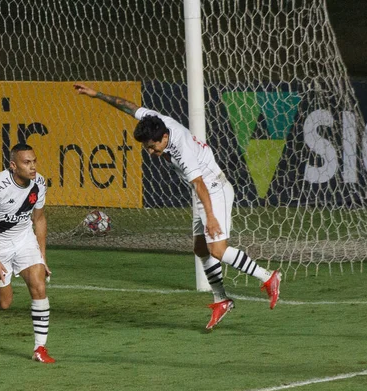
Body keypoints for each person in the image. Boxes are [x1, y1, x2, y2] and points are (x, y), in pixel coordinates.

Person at [73, 83, 281, 329]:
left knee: (217, 249)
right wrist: (98, 95)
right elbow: (129, 107)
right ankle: (221, 299)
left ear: (163, 138)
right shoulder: (156, 121)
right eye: (146, 148)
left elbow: (201, 184)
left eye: (152, 147)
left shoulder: (182, 149)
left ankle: (268, 277)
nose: (150, 152)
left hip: (213, 190)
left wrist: (211, 217)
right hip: (203, 193)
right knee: (201, 248)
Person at [0, 143, 55, 363]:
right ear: (13, 165)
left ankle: (40, 348)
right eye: (26, 163)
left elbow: (39, 219)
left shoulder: (39, 183)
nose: (33, 167)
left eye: (34, 161)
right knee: (5, 303)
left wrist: (42, 257)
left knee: (39, 286)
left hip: (24, 239)